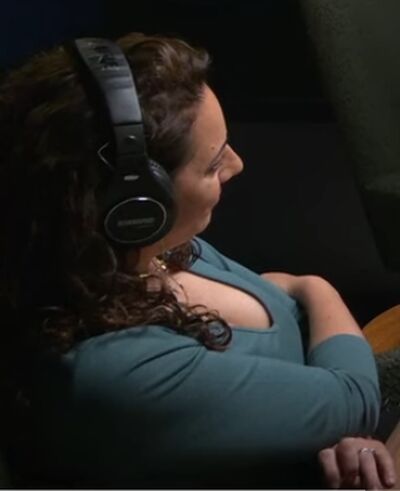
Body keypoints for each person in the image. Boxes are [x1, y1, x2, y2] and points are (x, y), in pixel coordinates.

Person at [0, 32, 396, 489]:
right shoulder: (115, 369)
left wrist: (306, 293)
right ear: (132, 209)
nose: (237, 165)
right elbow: (355, 399)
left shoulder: (141, 253)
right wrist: (316, 287)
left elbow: (284, 296)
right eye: (211, 164)